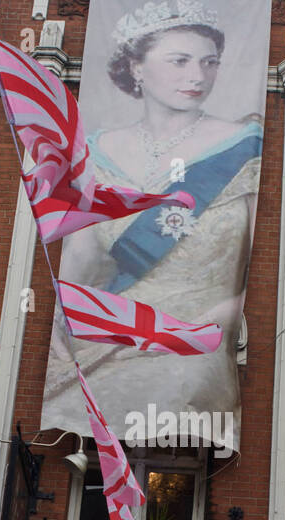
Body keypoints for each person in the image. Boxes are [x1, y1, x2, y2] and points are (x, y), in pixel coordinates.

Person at [41, 1, 262, 452]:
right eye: (179, 61)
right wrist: (61, 326)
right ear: (135, 67)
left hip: (193, 340)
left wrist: (221, 316)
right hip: (109, 339)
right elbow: (82, 259)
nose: (197, 76)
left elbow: (258, 260)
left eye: (209, 62)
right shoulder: (98, 152)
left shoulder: (244, 146)